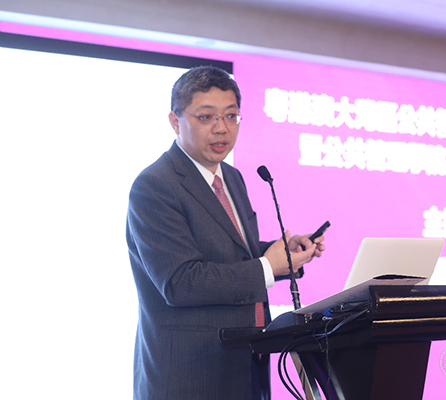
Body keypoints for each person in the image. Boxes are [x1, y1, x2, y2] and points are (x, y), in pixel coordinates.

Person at [126, 65, 325, 400]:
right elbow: (180, 282)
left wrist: (282, 254)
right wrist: (267, 267)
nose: (221, 128)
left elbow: (232, 252)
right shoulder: (155, 186)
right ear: (175, 121)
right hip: (190, 376)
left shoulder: (232, 177)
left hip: (246, 366)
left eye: (231, 116)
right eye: (206, 117)